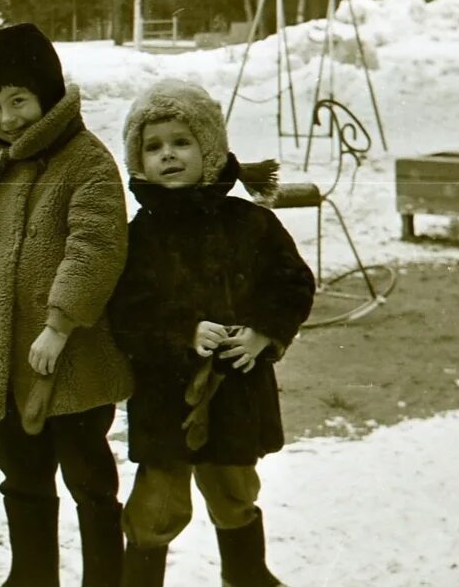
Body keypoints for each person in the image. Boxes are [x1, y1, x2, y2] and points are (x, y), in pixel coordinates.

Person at [0, 22, 133, 587]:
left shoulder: (86, 160)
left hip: (72, 356)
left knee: (88, 478)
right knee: (20, 472)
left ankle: (103, 578)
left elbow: (96, 246)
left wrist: (60, 324)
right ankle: (32, 574)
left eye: (19, 99)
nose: (9, 117)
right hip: (9, 360)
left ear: (46, 92)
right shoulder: (4, 168)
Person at [107, 79, 315, 587]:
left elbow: (293, 283)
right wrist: (182, 332)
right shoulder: (139, 236)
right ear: (139, 160)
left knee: (234, 489)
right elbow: (126, 313)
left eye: (182, 142)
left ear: (210, 147)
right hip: (165, 397)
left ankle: (247, 573)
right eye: (153, 147)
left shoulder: (251, 224)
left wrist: (265, 332)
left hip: (235, 390)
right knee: (159, 503)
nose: (169, 155)